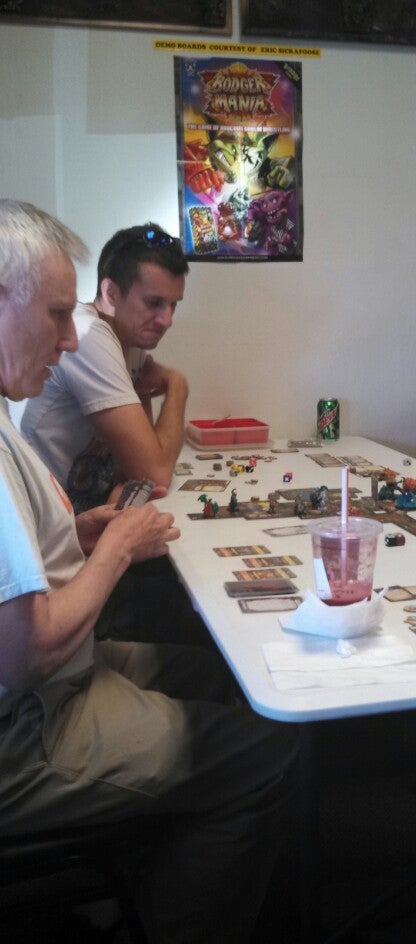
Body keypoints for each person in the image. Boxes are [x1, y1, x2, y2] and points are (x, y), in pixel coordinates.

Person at [0, 200, 299, 943]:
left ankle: (153, 866)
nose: (71, 337)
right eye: (57, 314)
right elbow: (27, 653)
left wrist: (78, 533)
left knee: (231, 677)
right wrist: (115, 550)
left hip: (59, 676)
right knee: (271, 751)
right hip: (30, 724)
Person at [21, 221, 190, 514]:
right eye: (154, 303)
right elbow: (156, 473)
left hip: (79, 518)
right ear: (111, 293)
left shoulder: (131, 339)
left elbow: (140, 468)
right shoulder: (90, 335)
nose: (167, 320)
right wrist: (178, 385)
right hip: (42, 524)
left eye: (173, 305)